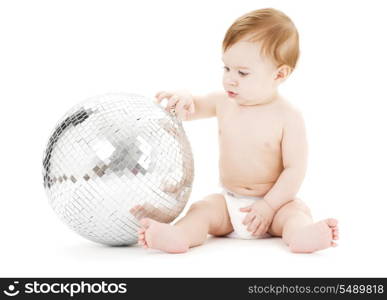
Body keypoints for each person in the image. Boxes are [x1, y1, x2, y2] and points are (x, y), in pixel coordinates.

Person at [130, 8, 339, 253]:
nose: (230, 79)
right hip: (230, 204)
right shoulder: (223, 102)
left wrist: (269, 206)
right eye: (226, 68)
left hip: (275, 206)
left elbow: (295, 170)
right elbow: (195, 107)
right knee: (202, 210)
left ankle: (302, 236)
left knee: (296, 214)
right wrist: (185, 98)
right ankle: (180, 236)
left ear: (279, 74)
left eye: (242, 72)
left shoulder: (288, 117)